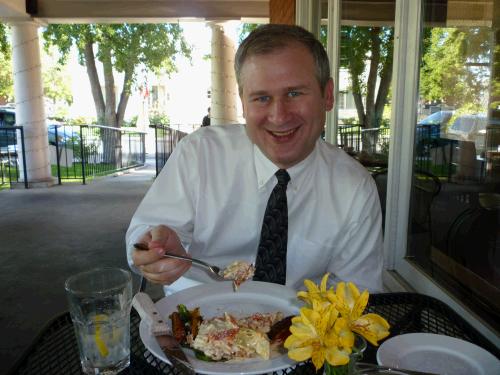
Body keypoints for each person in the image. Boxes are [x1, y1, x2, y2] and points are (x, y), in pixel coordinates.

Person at [126, 24, 383, 295]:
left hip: (299, 329)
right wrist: (152, 249)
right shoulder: (200, 154)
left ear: (327, 95)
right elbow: (143, 232)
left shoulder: (354, 188)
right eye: (261, 98)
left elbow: (355, 294)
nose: (279, 116)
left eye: (294, 93)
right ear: (243, 103)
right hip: (194, 320)